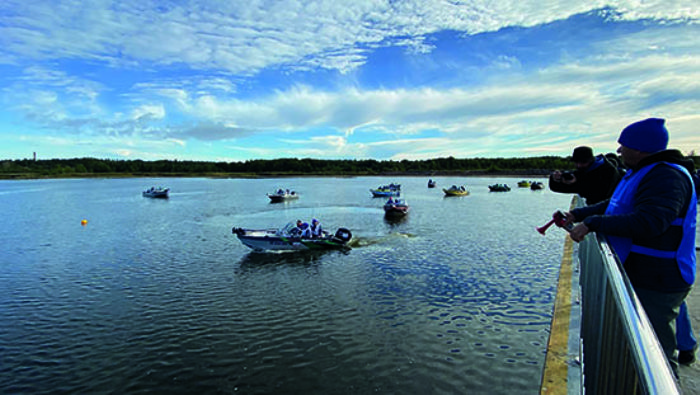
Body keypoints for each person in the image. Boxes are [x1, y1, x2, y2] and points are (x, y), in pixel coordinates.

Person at [561, 118, 697, 375]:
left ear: (641, 148)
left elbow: (650, 222)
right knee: (647, 341)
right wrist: (579, 215)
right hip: (644, 272)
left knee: (654, 354)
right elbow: (614, 205)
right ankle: (685, 347)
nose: (619, 150)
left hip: (659, 276)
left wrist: (591, 224)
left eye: (624, 145)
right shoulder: (644, 172)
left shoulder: (666, 176)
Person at [549, 146, 623, 205]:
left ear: (591, 160)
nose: (579, 165)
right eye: (576, 162)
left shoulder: (608, 172)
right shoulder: (585, 172)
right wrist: (556, 178)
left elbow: (598, 195)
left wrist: (577, 182)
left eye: (583, 162)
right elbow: (556, 187)